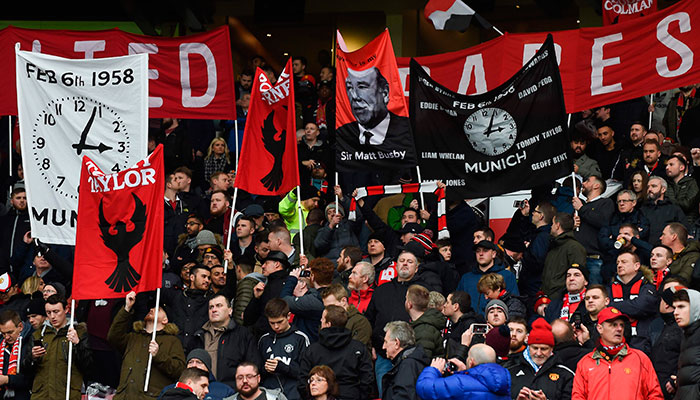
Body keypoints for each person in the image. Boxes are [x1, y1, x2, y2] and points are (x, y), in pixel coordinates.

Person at [572, 307, 663, 400]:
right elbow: (578, 397)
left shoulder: (640, 359)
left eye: (622, 325)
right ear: (600, 329)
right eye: (613, 325)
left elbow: (655, 395)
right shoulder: (585, 363)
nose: (619, 329)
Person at [108, 291, 186, 399]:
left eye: (157, 310)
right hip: (124, 396)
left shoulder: (172, 341)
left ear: (165, 320)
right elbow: (113, 337)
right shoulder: (133, 337)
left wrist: (158, 355)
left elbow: (179, 370)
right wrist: (127, 308)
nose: (151, 310)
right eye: (151, 308)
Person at [336, 66, 415, 170]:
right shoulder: (343, 133)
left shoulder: (406, 130)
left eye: (362, 86)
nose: (354, 96)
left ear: (385, 93)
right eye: (350, 87)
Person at [297, 306, 374, 400]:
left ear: (328, 324)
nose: (320, 320)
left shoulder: (312, 350)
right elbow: (367, 379)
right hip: (352, 395)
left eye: (323, 318)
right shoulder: (358, 348)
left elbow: (302, 381)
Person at [24, 295, 92, 400]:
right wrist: (32, 357)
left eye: (56, 312)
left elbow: (88, 366)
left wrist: (77, 344)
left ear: (66, 309)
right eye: (48, 313)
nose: (52, 316)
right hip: (42, 395)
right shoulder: (38, 335)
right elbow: (26, 369)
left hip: (68, 395)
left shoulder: (78, 332)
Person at [190, 293, 261, 389]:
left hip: (232, 393)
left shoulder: (243, 335)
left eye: (219, 306)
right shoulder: (198, 336)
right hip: (201, 392)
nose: (214, 310)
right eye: (211, 307)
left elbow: (254, 367)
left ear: (230, 310)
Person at [503, 318, 574, 400]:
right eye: (535, 348)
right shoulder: (510, 370)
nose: (539, 353)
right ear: (528, 347)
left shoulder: (565, 375)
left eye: (544, 349)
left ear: (551, 349)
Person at [415, 343, 511, 400]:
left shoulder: (460, 383)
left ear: (471, 362)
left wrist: (433, 369)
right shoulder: (504, 382)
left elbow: (425, 388)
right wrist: (465, 373)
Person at [258, 299, 309, 400]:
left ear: (288, 316)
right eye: (272, 323)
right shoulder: (264, 340)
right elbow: (257, 372)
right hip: (269, 394)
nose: (276, 326)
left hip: (294, 394)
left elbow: (306, 373)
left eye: (279, 322)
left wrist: (283, 367)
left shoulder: (300, 338)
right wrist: (265, 369)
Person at [610, 251, 658, 354]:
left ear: (636, 266)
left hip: (641, 342)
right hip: (614, 343)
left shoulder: (647, 286)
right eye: (618, 263)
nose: (619, 265)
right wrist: (629, 308)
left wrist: (614, 306)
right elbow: (604, 310)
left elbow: (640, 307)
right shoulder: (610, 287)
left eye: (624, 262)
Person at [572, 175, 615, 285]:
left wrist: (581, 209)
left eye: (587, 181)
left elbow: (602, 221)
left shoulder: (605, 203)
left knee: (594, 294)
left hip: (593, 258)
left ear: (596, 185)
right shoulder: (581, 206)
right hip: (575, 258)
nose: (583, 183)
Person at [456, 240, 519, 314]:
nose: (481, 254)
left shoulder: (507, 275)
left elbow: (515, 303)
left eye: (485, 250)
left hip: (498, 323)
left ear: (493, 254)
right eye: (478, 251)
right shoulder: (466, 278)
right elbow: (457, 304)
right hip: (471, 323)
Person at [162, 264, 212, 350]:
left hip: (197, 350)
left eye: (209, 278)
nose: (207, 280)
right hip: (174, 347)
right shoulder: (176, 295)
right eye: (203, 276)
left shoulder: (210, 300)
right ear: (192, 277)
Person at [650, 278, 684, 400]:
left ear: (666, 304)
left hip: (670, 390)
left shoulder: (679, 328)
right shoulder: (667, 325)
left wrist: (676, 378)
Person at [244, 251, 290, 338]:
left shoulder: (279, 286)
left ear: (276, 264)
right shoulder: (266, 285)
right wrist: (256, 297)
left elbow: (249, 319)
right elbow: (248, 318)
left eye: (266, 263)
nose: (263, 266)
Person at [160, 349, 235, 400]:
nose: (194, 365)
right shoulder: (169, 390)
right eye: (190, 362)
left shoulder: (224, 390)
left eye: (199, 362)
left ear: (207, 367)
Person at [541, 213, 587, 297]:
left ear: (557, 225)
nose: (551, 227)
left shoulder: (574, 247)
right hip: (549, 297)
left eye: (553, 224)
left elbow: (577, 276)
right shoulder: (554, 246)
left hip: (563, 299)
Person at [381, 321, 429, 400]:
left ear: (397, 343)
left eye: (386, 342)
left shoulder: (407, 365)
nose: (383, 347)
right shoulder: (410, 360)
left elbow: (403, 396)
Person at [670, 287, 700, 398]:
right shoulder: (687, 335)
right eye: (674, 308)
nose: (675, 313)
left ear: (696, 308)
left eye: (681, 307)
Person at [641, 176, 687, 245]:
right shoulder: (642, 210)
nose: (650, 189)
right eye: (648, 187)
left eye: (654, 186)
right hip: (645, 250)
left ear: (663, 189)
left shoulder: (674, 209)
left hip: (667, 250)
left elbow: (684, 232)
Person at [405, 284, 446, 358]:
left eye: (406, 299)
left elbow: (422, 360)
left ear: (409, 304)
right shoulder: (421, 324)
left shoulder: (424, 330)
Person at [442, 291, 484, 358]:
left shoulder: (469, 326)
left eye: (447, 302)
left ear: (456, 306)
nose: (444, 305)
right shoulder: (454, 324)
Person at [0, 310, 32, 400]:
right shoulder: (1, 344)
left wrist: (7, 379)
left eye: (10, 332)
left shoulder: (30, 342)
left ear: (20, 327)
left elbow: (31, 378)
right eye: (3, 333)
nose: (6, 337)